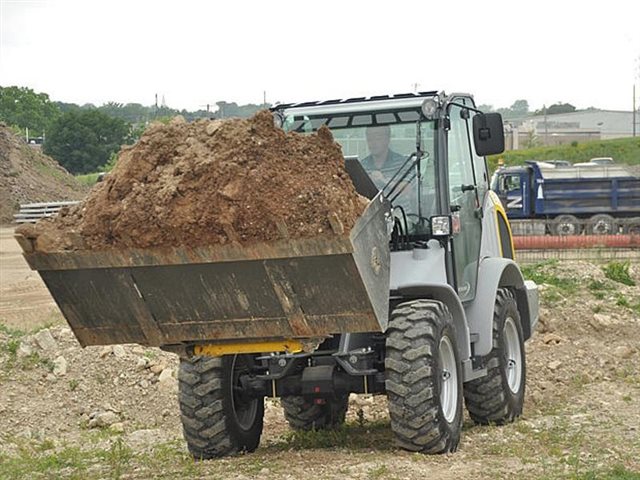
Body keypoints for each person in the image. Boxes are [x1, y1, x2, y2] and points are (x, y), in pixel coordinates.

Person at [361, 125, 405, 189]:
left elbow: (407, 191)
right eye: (369, 139)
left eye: (377, 138)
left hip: (393, 199)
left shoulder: (403, 163)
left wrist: (383, 180)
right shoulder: (362, 166)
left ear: (388, 139)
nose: (373, 143)